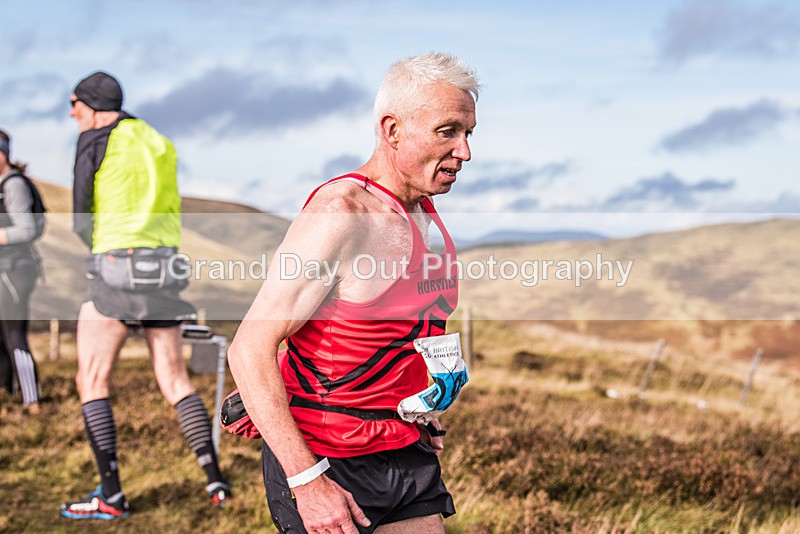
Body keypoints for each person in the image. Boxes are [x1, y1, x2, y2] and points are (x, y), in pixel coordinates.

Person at [228, 52, 479, 533]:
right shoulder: (341, 213)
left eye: (469, 134)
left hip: (404, 446)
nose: (465, 152)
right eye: (448, 131)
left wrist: (418, 400)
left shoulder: (424, 210)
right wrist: (307, 481)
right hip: (328, 457)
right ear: (393, 130)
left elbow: (405, 330)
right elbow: (249, 348)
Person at [60, 71, 231, 520]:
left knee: (91, 380)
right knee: (175, 380)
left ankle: (111, 497)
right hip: (163, 270)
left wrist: (95, 247)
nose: (72, 112)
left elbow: (81, 211)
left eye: (74, 103)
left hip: (116, 266)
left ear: (92, 106)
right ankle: (216, 482)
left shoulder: (95, 137)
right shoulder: (158, 140)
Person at [0, 129, 43, 412]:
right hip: (4, 269)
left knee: (14, 334)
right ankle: (5, 393)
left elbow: (27, 229)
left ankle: (31, 399)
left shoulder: (13, 185)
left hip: (14, 270)